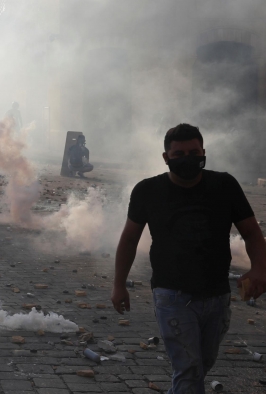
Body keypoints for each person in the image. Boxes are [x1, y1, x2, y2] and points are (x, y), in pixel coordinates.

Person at [111, 123, 266, 393]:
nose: (188, 159)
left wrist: (260, 269)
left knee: (201, 365)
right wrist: (119, 284)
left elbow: (252, 232)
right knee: (189, 370)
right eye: (179, 154)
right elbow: (129, 239)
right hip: (172, 295)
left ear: (204, 152)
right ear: (166, 158)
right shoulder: (148, 191)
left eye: (194, 152)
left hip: (217, 295)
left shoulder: (224, 185)